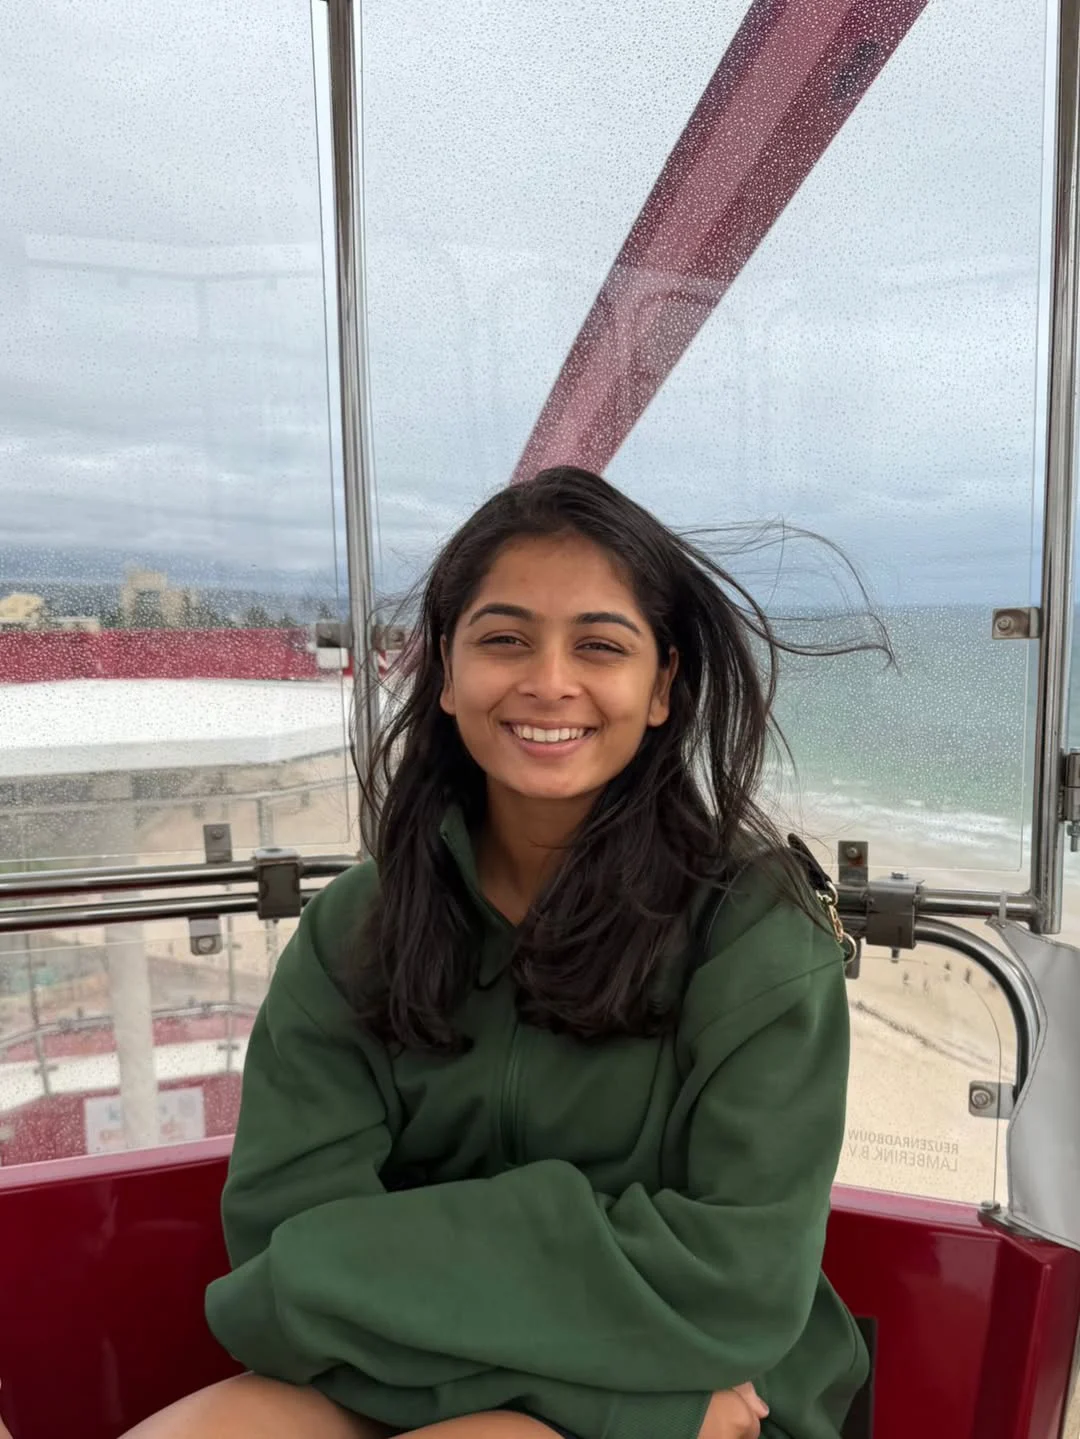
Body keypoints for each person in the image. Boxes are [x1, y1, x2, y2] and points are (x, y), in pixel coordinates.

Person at [126, 467, 877, 1439]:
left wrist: (384, 1275)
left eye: (599, 644)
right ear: (446, 671)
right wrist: (607, 1404)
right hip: (631, 1401)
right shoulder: (358, 926)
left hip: (732, 1393)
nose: (549, 680)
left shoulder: (752, 926)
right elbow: (280, 1262)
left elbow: (737, 1283)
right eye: (505, 638)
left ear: (661, 686)